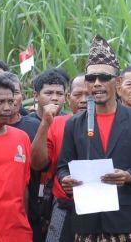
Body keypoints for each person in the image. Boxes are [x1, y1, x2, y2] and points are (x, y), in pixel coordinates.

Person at [57, 35, 131, 242]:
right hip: (87, 223)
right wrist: (65, 179)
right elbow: (62, 167)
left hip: (126, 221)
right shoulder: (74, 123)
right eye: (91, 79)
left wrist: (128, 176)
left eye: (104, 78)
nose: (97, 84)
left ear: (118, 82)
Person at [13, 69, 68, 242]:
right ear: (36, 96)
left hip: (57, 202)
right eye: (48, 93)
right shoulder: (23, 126)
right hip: (29, 202)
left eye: (60, 93)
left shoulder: (71, 123)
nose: (54, 98)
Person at [31, 74, 88, 242]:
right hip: (64, 204)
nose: (84, 100)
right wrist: (45, 123)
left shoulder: (113, 122)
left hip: (102, 205)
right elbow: (37, 164)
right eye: (78, 95)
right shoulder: (57, 123)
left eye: (89, 94)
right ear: (69, 98)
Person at [0, 74, 33, 241]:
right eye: (0, 102)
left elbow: (24, 186)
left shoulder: (22, 138)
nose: (7, 107)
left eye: (10, 101)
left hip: (18, 231)